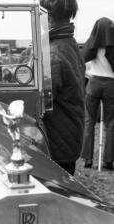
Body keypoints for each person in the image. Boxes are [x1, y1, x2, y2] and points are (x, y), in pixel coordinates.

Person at [40, 0, 85, 175]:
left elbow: (41, 103)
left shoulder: (52, 53)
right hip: (69, 135)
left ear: (47, 16)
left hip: (56, 142)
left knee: (57, 194)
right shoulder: (69, 43)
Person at [81, 17, 114, 170]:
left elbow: (82, 59)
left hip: (93, 84)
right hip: (111, 85)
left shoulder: (91, 42)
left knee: (89, 122)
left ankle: (88, 159)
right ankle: (108, 161)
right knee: (111, 124)